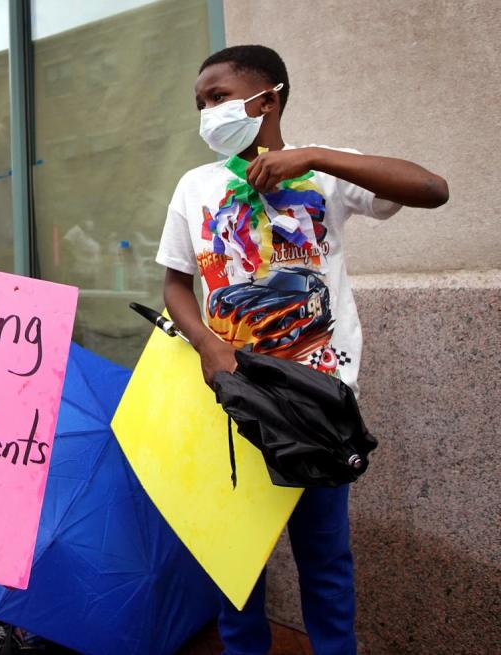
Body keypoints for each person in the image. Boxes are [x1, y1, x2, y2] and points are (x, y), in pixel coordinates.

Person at [157, 45, 448, 654]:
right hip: (234, 405)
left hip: (318, 404)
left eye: (219, 97)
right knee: (235, 565)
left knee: (325, 559)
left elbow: (430, 188)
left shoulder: (322, 175)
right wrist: (209, 345)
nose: (208, 112)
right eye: (200, 103)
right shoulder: (196, 186)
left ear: (269, 97)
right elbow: (175, 283)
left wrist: (310, 156)